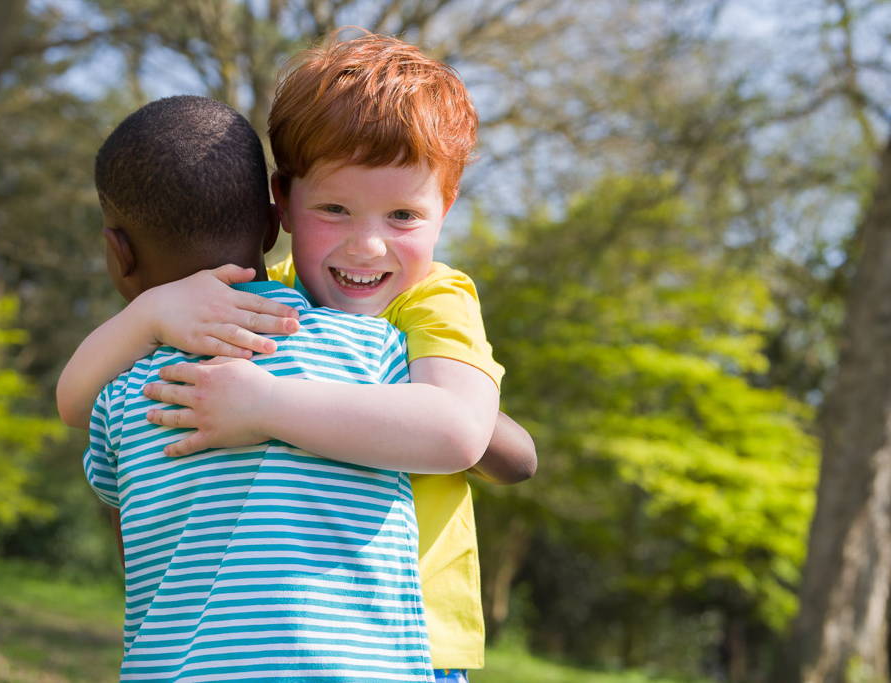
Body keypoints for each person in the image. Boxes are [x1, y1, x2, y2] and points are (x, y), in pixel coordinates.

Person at [57, 32, 537, 682]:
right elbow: (80, 402)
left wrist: (265, 404)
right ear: (281, 203)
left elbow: (462, 430)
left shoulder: (432, 297)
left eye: (403, 215)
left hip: (405, 633)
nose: (367, 246)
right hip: (260, 634)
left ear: (445, 208)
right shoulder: (263, 299)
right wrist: (150, 313)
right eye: (335, 209)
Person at [81, 94, 437, 681]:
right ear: (275, 225)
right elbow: (454, 432)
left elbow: (130, 541)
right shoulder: (371, 350)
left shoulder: (120, 396)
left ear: (118, 254)